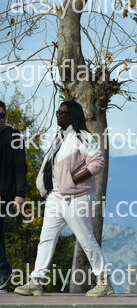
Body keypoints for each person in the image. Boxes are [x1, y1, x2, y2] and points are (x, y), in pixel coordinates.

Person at [14, 101, 113, 297]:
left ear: (72, 116)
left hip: (76, 196)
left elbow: (97, 163)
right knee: (46, 238)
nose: (58, 114)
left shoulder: (82, 137)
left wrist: (73, 179)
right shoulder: (60, 137)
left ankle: (104, 282)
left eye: (62, 112)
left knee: (85, 239)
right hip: (55, 196)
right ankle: (36, 281)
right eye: (57, 111)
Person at [0, 100, 27, 291]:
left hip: (3, 193)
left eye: (1, 115)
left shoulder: (13, 136)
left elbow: (20, 166)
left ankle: (3, 270)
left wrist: (20, 193)